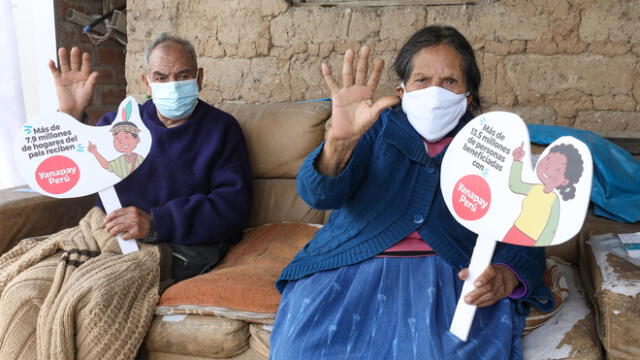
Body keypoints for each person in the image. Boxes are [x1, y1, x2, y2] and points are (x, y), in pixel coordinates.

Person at [270, 26, 553, 359]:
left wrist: (506, 274)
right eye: (422, 80)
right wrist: (339, 142)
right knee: (302, 350)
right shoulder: (372, 128)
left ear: (468, 96)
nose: (435, 92)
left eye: (450, 81)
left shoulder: (494, 147)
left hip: (451, 273)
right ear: (402, 91)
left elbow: (526, 228)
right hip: (352, 264)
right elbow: (319, 196)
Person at [48, 33, 252, 281]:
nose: (173, 85)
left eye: (183, 76)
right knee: (27, 288)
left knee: (97, 288)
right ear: (146, 82)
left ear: (199, 79)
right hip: (110, 237)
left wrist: (156, 223)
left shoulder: (221, 129)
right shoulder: (118, 125)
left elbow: (232, 207)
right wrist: (70, 114)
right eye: (161, 78)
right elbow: (68, 173)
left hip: (181, 246)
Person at [504, 142, 584, 247]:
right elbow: (515, 185)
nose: (548, 168)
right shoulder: (536, 188)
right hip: (514, 230)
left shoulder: (554, 200)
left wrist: (537, 246)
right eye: (548, 161)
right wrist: (517, 161)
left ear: (565, 181)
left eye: (557, 169)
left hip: (531, 241)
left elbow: (551, 229)